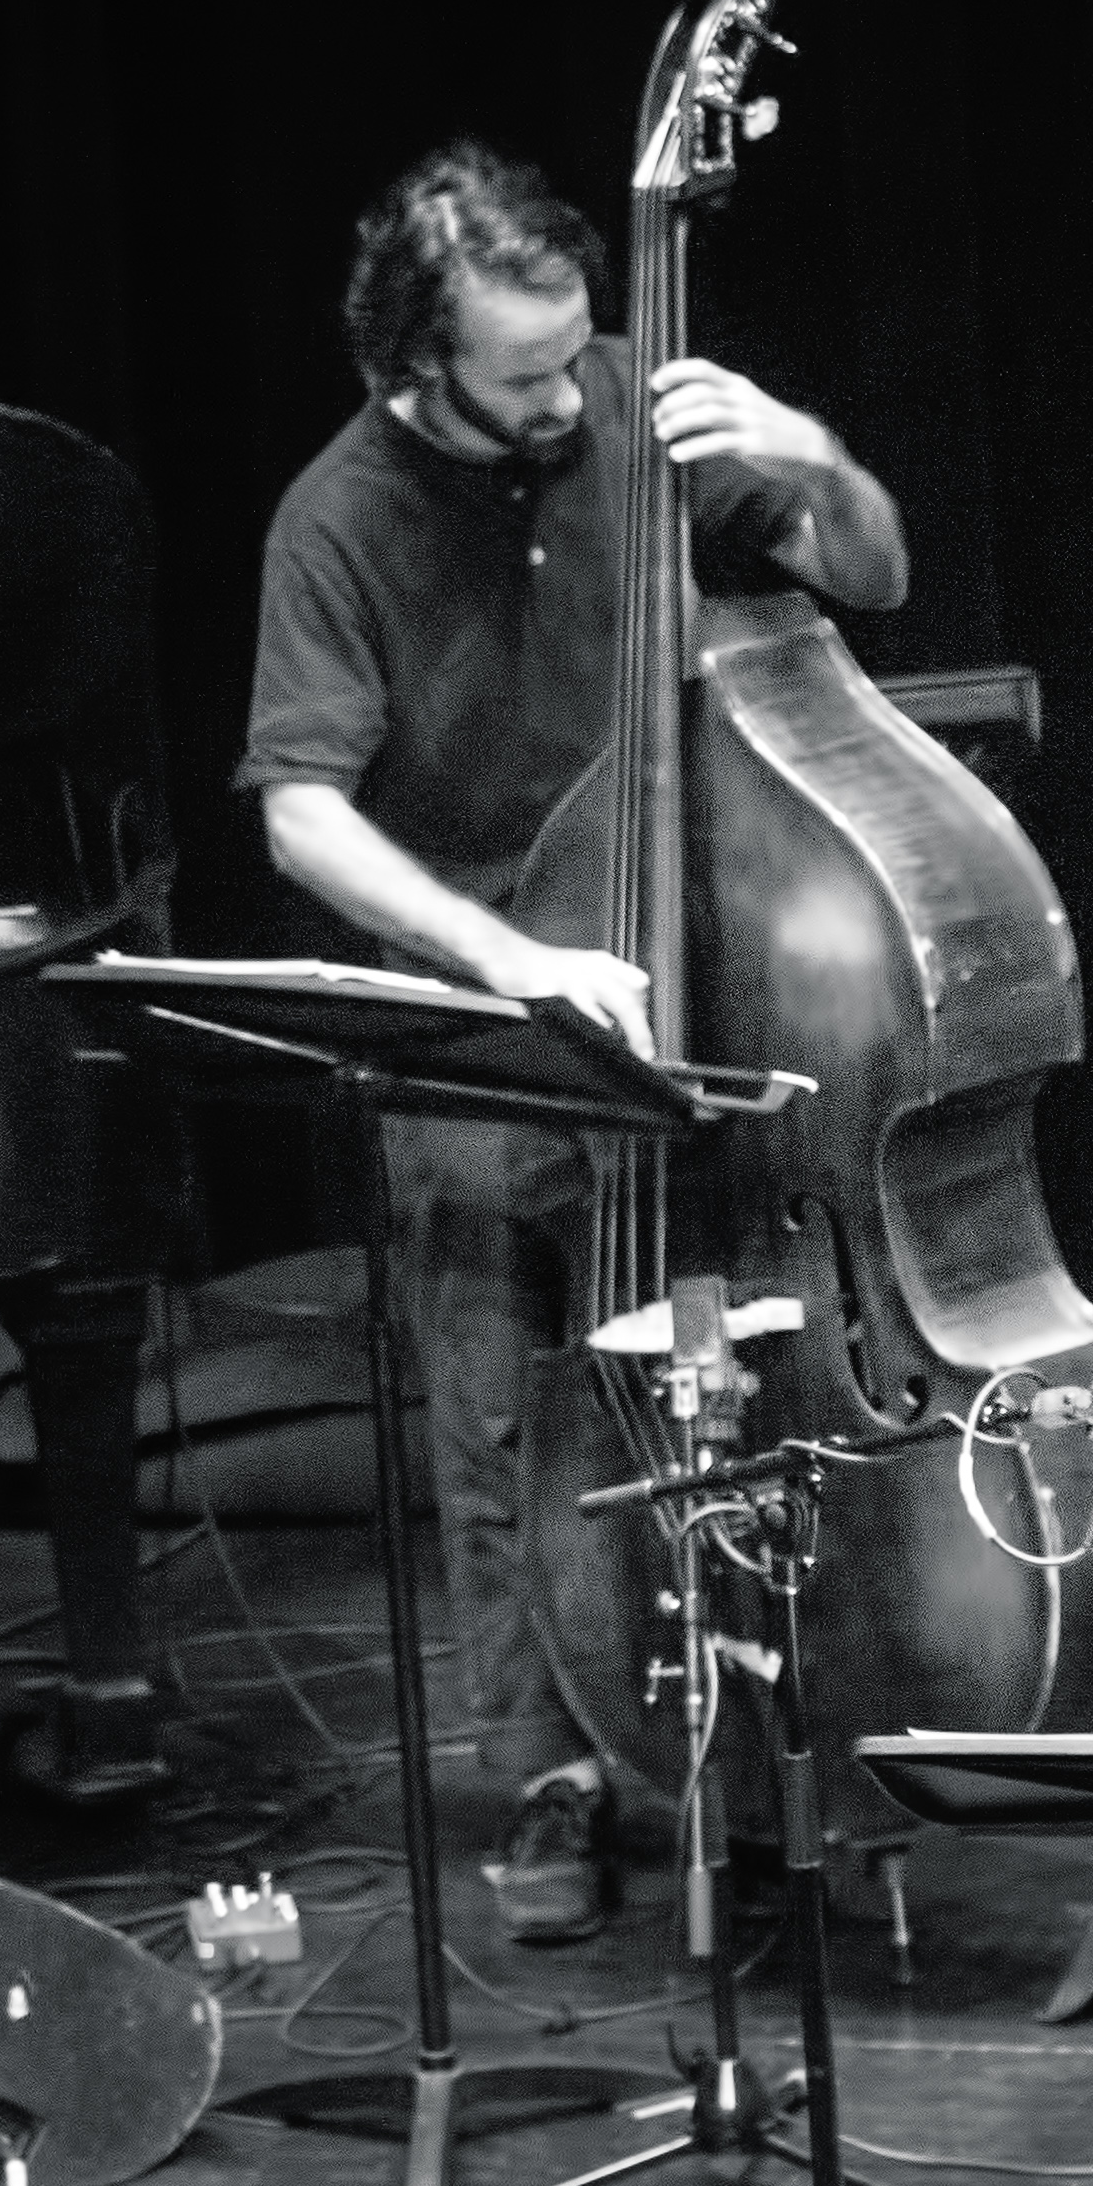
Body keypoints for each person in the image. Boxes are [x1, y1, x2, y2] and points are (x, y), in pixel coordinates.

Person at [235, 140, 908, 1942]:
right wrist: (503, 958)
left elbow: (875, 569)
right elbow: (300, 807)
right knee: (498, 1406)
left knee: (746, 1356)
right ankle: (550, 1772)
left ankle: (784, 1730)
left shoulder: (635, 397)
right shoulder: (338, 516)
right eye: (527, 374)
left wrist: (807, 451)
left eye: (576, 349)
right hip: (488, 1018)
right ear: (411, 371)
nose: (570, 393)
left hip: (699, 971)